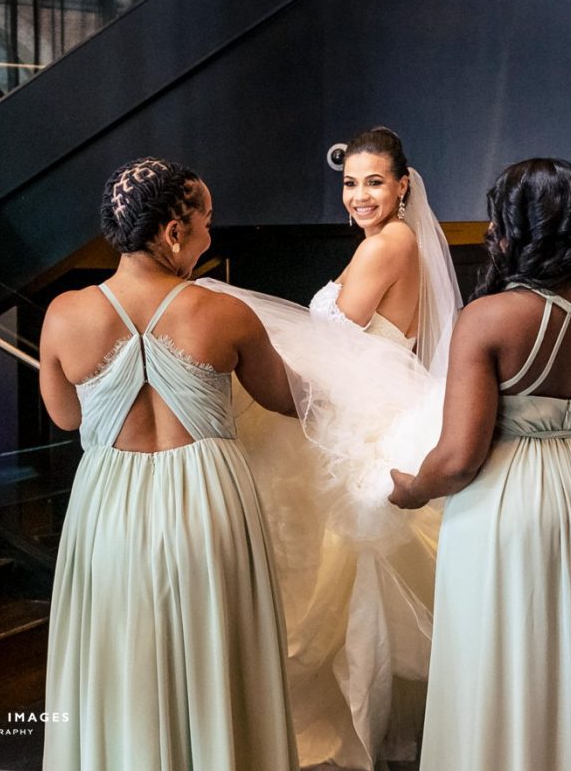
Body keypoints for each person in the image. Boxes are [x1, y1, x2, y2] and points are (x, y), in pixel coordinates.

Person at [390, 156, 571, 771]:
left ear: (509, 230)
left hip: (507, 504)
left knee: (506, 660)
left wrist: (413, 490)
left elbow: (458, 458)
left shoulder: (488, 318)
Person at [211, 127, 461, 769]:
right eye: (350, 183)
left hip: (362, 409)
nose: (360, 195)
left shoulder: (392, 242)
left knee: (320, 561)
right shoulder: (382, 243)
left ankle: (320, 720)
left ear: (404, 185)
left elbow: (337, 339)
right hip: (368, 398)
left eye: (375, 182)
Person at [39, 160, 299, 771]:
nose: (213, 233)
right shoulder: (223, 314)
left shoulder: (64, 314)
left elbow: (67, 419)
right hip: (207, 503)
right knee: (214, 656)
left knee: (118, 656)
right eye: (208, 220)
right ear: (175, 232)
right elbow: (288, 399)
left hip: (110, 509)